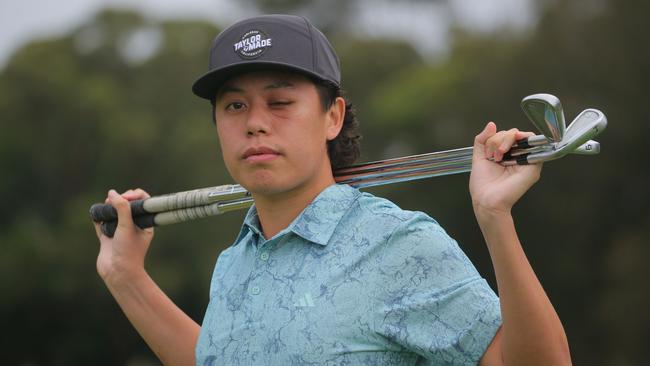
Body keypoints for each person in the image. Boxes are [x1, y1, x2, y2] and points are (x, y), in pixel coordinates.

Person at [93, 14, 571, 366]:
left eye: (279, 102)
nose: (255, 123)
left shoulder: (398, 244)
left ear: (333, 116)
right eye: (234, 106)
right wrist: (126, 276)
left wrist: (494, 219)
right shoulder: (234, 263)